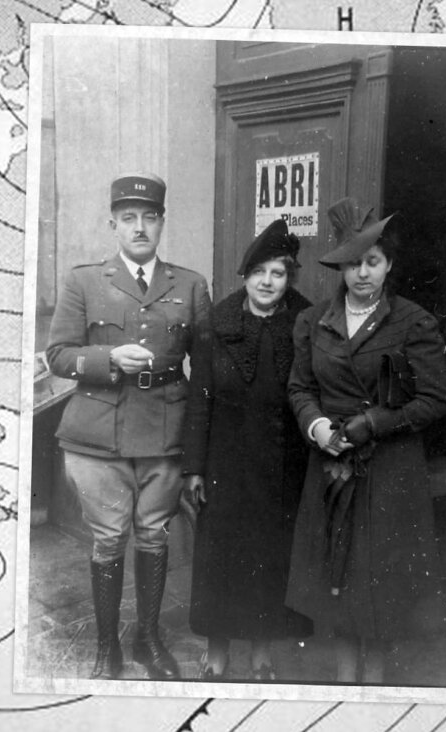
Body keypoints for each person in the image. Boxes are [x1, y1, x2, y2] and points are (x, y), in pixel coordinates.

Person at [45, 172, 211, 681]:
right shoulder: (84, 281)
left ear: (162, 223)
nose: (140, 228)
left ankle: (148, 638)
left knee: (154, 537)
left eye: (150, 218)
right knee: (107, 539)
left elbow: (204, 369)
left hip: (165, 432)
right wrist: (107, 357)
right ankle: (104, 648)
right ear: (113, 224)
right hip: (98, 435)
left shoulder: (190, 284)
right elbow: (57, 355)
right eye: (129, 219)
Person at [284, 197, 446, 684]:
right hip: (332, 463)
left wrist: (375, 423)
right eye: (353, 263)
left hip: (388, 468)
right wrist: (317, 426)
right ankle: (343, 676)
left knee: (378, 577)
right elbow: (300, 388)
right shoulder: (313, 321)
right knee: (335, 572)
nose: (362, 273)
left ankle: (375, 681)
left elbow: (436, 399)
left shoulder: (412, 322)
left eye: (372, 262)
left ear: (389, 265)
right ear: (341, 267)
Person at [182, 219, 314, 681]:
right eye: (259, 272)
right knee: (221, 557)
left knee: (270, 556)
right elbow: (199, 399)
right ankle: (218, 648)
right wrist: (194, 468)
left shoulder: (306, 321)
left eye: (277, 273)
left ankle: (261, 650)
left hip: (282, 463)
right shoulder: (216, 322)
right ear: (245, 275)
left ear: (289, 278)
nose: (267, 282)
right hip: (224, 461)